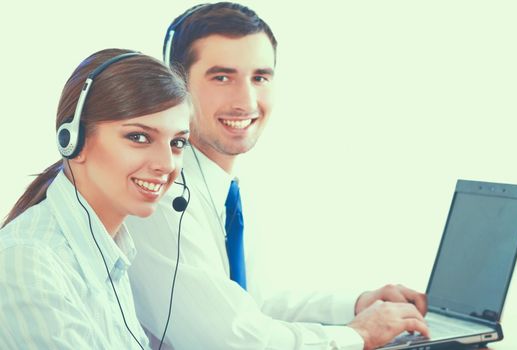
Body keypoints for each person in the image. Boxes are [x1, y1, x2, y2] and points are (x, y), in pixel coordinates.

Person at [126, 3, 428, 349]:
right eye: (222, 77)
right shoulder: (159, 196)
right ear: (175, 83)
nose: (246, 100)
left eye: (260, 77)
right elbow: (229, 340)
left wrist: (358, 305)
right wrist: (358, 335)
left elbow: (252, 307)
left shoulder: (221, 189)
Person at [0, 48, 191, 349]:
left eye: (177, 142)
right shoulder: (30, 262)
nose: (166, 164)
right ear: (72, 140)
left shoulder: (109, 253)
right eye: (139, 137)